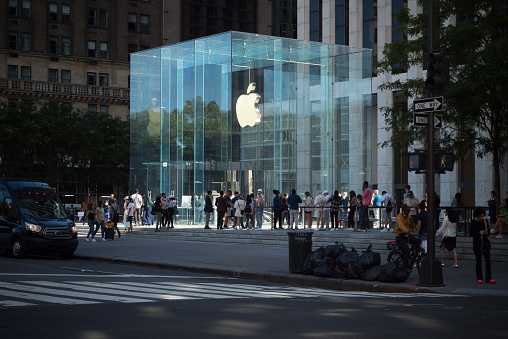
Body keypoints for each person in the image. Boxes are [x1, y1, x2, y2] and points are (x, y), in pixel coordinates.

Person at [470, 207, 496, 284]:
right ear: (477, 215)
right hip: (477, 243)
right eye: (480, 216)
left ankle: (489, 278)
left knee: (488, 260)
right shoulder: (473, 222)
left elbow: (488, 232)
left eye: (482, 216)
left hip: (485, 243)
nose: (481, 217)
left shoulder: (485, 221)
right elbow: (471, 233)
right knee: (478, 260)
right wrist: (479, 233)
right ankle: (479, 277)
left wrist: (485, 232)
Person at [395, 204, 419, 269]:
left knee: (417, 241)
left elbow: (412, 227)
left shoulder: (409, 217)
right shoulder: (399, 216)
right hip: (400, 235)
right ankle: (405, 267)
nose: (407, 213)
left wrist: (412, 222)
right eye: (406, 211)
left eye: (408, 211)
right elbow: (401, 225)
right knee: (406, 250)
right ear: (403, 211)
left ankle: (412, 255)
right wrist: (407, 231)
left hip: (407, 235)